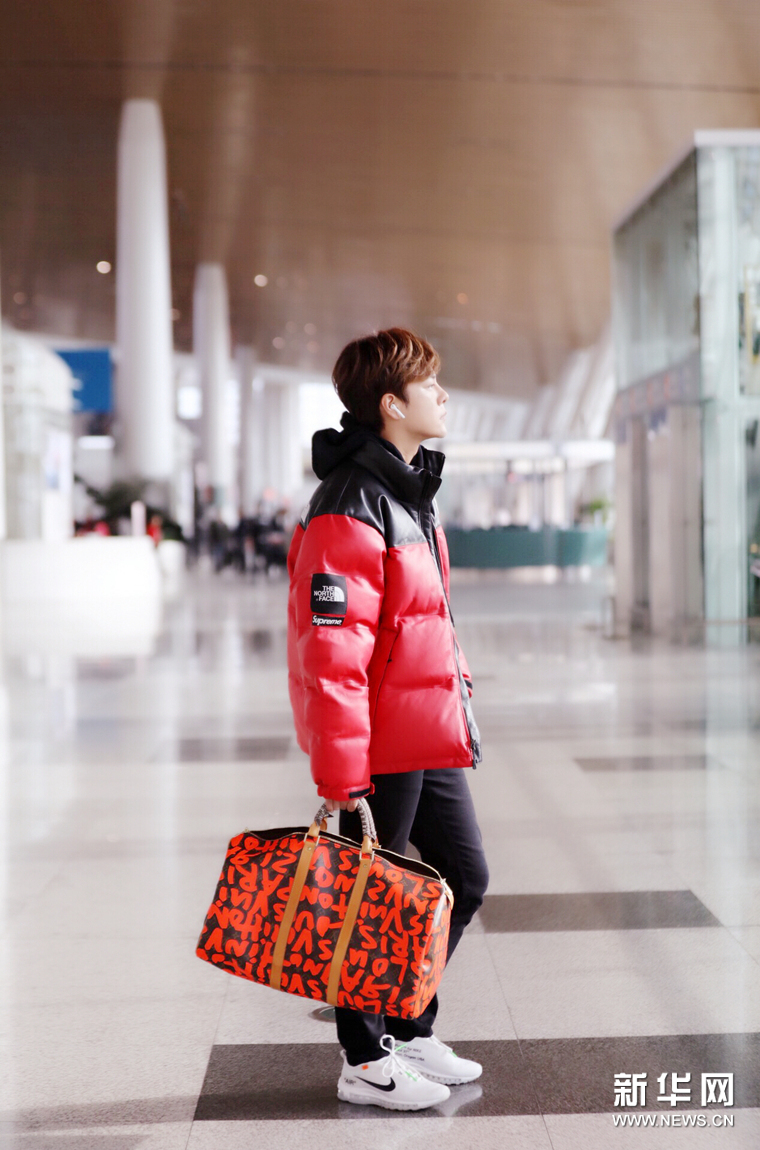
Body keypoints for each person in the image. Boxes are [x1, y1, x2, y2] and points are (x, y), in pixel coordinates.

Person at [287, 328, 489, 1111]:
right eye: (430, 384)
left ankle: (406, 1026)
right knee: (370, 897)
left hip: (424, 727)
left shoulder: (406, 493)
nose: (443, 395)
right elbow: (331, 650)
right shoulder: (351, 503)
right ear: (392, 404)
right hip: (378, 741)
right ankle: (364, 1060)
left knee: (461, 878)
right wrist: (342, 773)